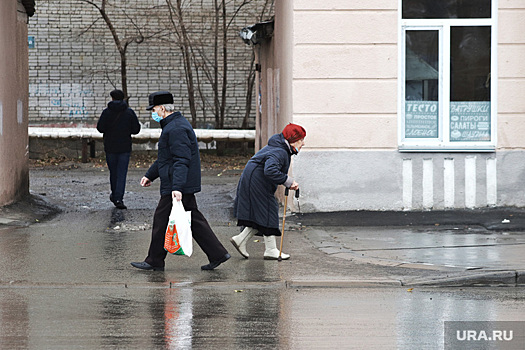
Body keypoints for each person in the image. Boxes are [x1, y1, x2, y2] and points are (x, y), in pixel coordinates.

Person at [131, 91, 230, 271]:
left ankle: (154, 260)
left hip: (176, 185)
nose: (153, 113)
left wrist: (177, 187)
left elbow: (181, 159)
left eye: (153, 109)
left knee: (161, 220)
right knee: (193, 219)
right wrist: (150, 175)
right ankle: (218, 254)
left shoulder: (175, 128)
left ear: (162, 108)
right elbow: (166, 158)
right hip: (178, 183)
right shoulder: (172, 125)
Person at [231, 123, 306, 260]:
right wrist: (288, 182)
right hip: (257, 182)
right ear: (293, 140)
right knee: (269, 210)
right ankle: (271, 250)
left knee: (262, 214)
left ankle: (241, 239)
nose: (303, 143)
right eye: (301, 140)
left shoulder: (280, 148)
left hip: (253, 179)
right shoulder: (280, 151)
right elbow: (270, 170)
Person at [96, 89, 141, 209]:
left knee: (113, 172)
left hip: (110, 146)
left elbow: (100, 128)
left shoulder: (106, 112)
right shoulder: (129, 112)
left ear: (112, 98)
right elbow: (136, 129)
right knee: (122, 173)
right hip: (125, 147)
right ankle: (118, 198)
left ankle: (114, 193)